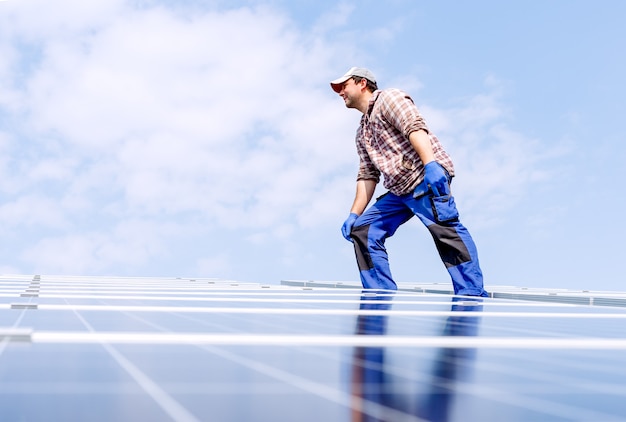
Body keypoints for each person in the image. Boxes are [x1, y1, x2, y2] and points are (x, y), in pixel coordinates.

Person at [331, 67, 488, 297]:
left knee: (445, 232)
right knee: (364, 231)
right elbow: (368, 175)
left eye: (343, 86)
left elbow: (414, 126)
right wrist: (354, 214)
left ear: (362, 83)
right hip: (398, 190)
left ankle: (471, 295)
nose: (340, 92)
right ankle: (380, 295)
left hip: (423, 178)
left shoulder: (388, 98)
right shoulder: (362, 132)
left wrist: (431, 165)